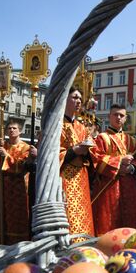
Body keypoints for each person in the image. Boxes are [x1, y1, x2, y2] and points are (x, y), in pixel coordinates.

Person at [91, 104, 136, 235]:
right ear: (109, 117)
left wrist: (132, 168)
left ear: (126, 118)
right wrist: (119, 163)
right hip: (109, 185)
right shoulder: (102, 138)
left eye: (121, 115)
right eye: (115, 114)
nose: (118, 117)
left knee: (130, 222)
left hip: (129, 186)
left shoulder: (131, 140)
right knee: (108, 221)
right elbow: (96, 159)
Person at [0, 118, 36, 244]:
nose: (11, 130)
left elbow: (21, 167)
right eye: (9, 128)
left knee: (15, 216)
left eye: (14, 128)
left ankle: (15, 243)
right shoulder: (3, 145)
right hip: (1, 186)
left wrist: (6, 156)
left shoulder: (25, 148)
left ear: (20, 131)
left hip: (17, 188)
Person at [59, 87, 96, 242]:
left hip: (81, 177)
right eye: (74, 97)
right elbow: (51, 153)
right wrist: (74, 150)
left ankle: (84, 242)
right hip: (64, 177)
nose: (79, 101)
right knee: (67, 212)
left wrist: (87, 150)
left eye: (80, 98)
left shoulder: (82, 127)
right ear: (65, 99)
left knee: (83, 212)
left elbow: (93, 153)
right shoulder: (56, 124)